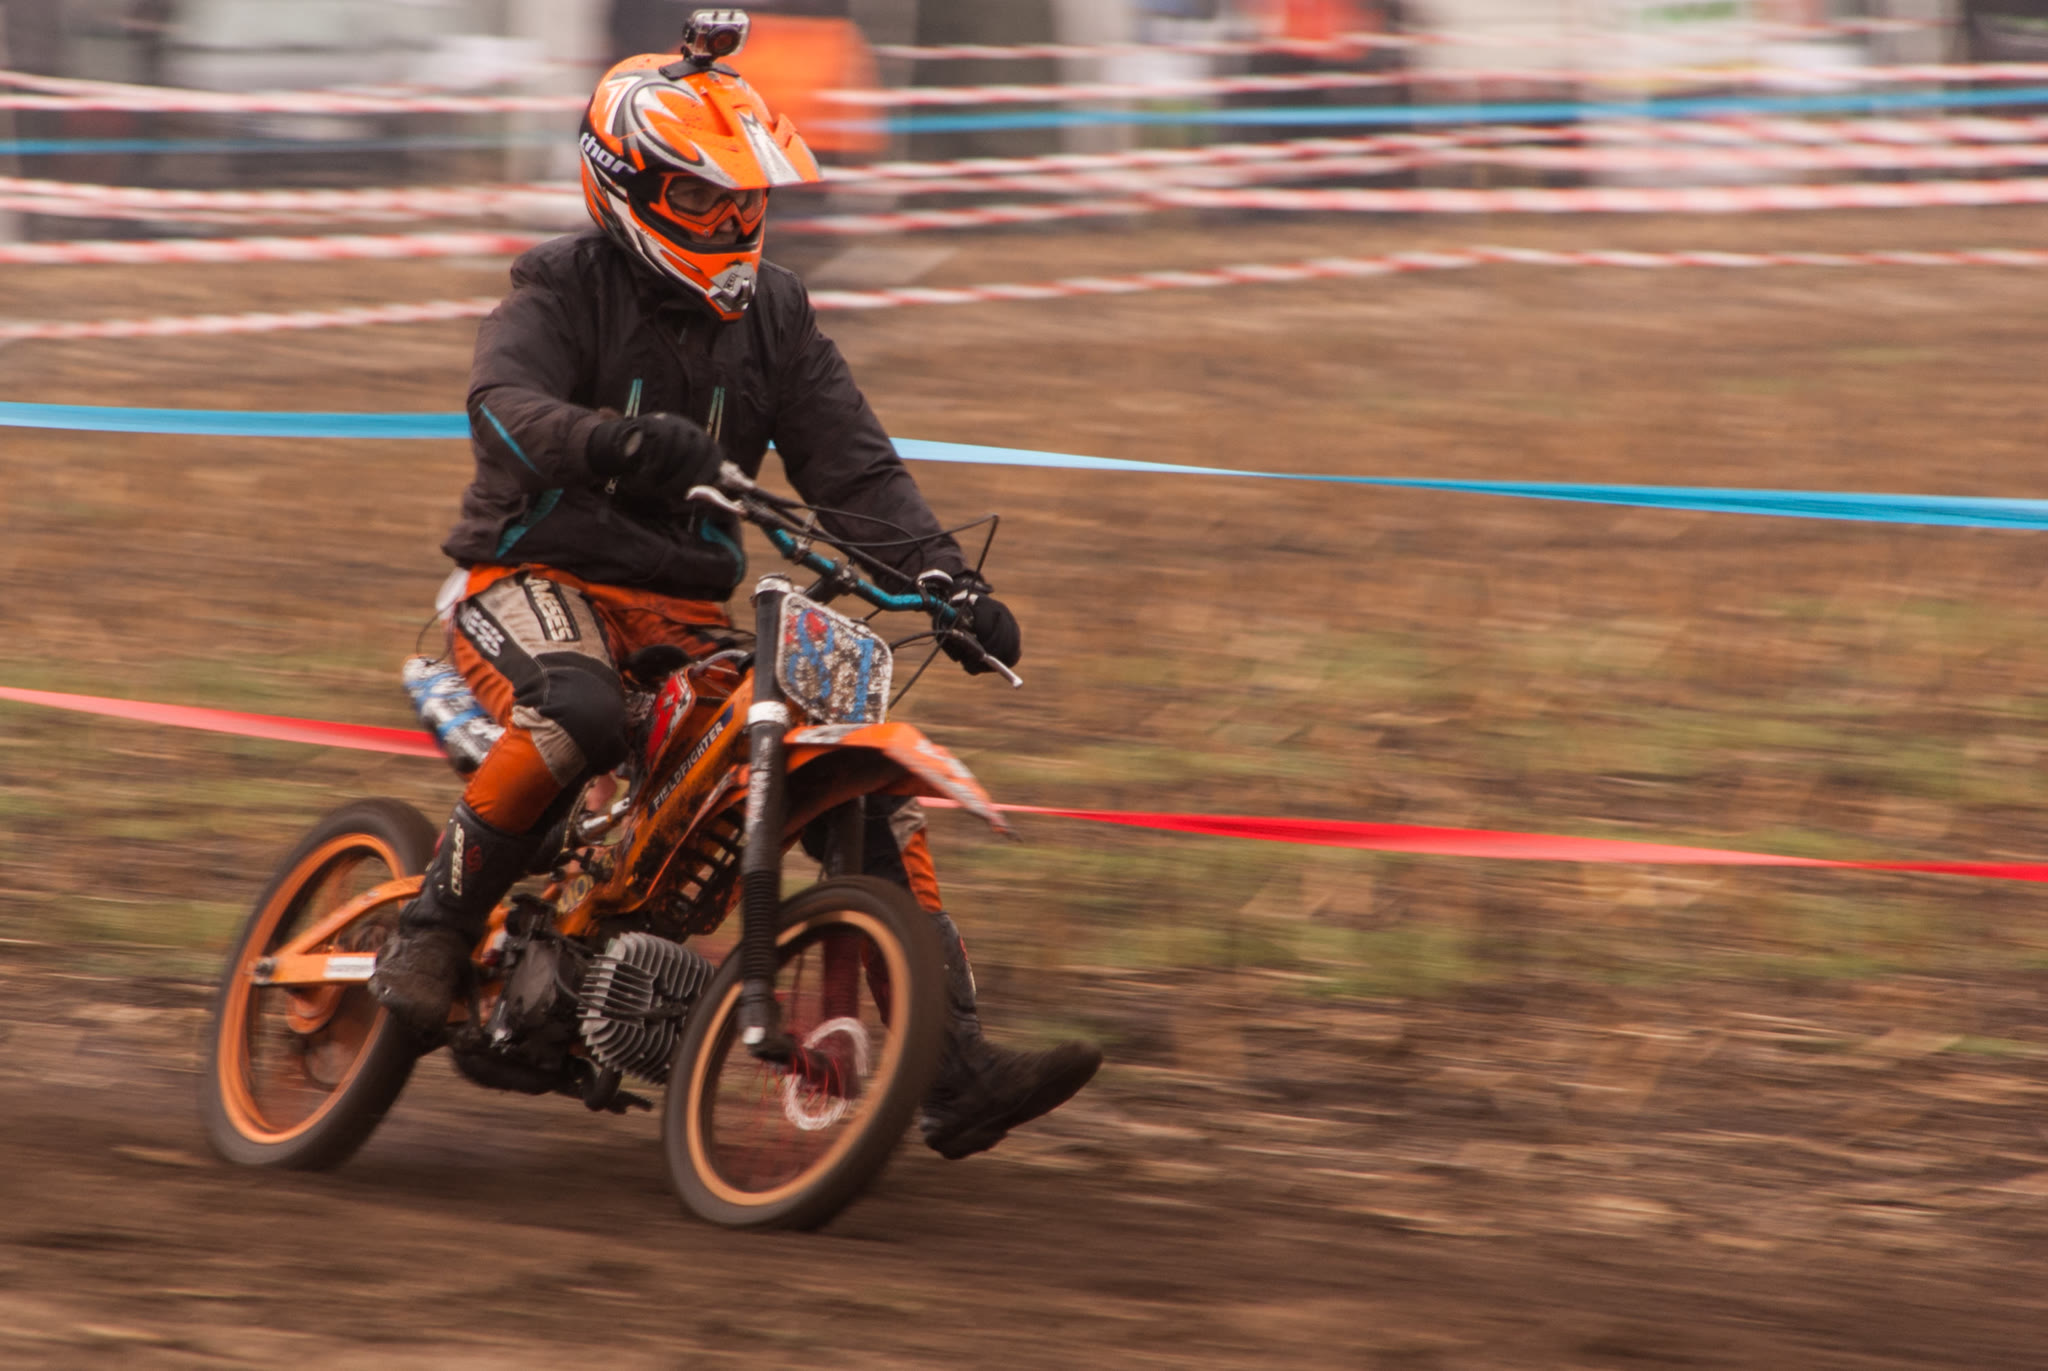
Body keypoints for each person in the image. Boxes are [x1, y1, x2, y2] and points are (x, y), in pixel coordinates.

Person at [369, 17, 1101, 1162]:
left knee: (855, 784)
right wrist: (614, 443)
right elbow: (502, 408)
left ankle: (951, 1070)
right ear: (625, 185)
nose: (729, 223)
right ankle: (433, 927)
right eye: (702, 199)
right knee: (579, 709)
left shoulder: (777, 318)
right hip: (527, 578)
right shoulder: (557, 286)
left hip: (682, 613)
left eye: (745, 200)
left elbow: (854, 470)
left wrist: (947, 584)